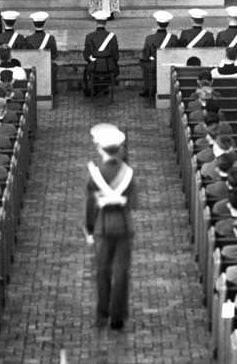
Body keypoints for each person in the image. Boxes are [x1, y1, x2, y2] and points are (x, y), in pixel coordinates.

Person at [84, 123, 135, 330]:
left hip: (103, 228)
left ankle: (102, 312)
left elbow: (90, 205)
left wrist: (88, 228)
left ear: (100, 149)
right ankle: (118, 316)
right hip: (124, 226)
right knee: (122, 272)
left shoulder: (96, 173)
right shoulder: (127, 172)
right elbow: (133, 203)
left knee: (102, 270)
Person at [83, 10, 119, 97]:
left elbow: (86, 55)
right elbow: (116, 56)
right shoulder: (112, 36)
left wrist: (92, 60)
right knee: (116, 69)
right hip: (109, 66)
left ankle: (93, 89)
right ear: (106, 22)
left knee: (86, 70)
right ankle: (104, 87)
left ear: (96, 21)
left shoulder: (89, 36)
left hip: (94, 66)